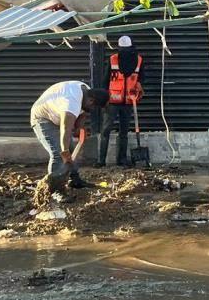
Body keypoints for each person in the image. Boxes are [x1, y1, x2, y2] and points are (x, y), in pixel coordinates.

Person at [31, 81, 109, 191]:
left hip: (58, 115)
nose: (92, 110)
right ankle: (54, 190)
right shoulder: (71, 103)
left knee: (71, 151)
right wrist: (64, 151)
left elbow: (83, 113)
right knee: (59, 154)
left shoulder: (87, 91)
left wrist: (79, 128)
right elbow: (66, 129)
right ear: (91, 101)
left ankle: (74, 180)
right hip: (43, 118)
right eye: (94, 107)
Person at [97, 35, 145, 167]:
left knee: (123, 132)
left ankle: (121, 160)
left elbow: (142, 77)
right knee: (106, 131)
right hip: (111, 102)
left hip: (129, 102)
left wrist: (140, 84)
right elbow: (105, 80)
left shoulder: (139, 60)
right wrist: (104, 99)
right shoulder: (113, 59)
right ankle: (101, 160)